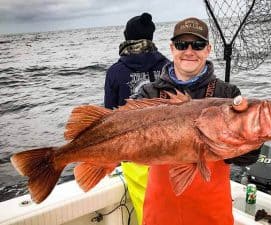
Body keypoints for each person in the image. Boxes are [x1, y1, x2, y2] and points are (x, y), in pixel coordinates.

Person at [135, 17, 260, 225]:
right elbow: (131, 147)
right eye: (182, 44)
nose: (190, 51)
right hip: (161, 212)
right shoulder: (149, 93)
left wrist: (253, 137)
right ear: (172, 48)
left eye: (198, 44)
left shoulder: (227, 93)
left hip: (211, 214)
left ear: (208, 49)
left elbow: (245, 159)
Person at [104, 12, 169, 225]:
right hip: (168, 149)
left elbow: (109, 114)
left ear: (126, 37)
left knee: (145, 208)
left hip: (133, 152)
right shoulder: (169, 67)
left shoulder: (115, 71)